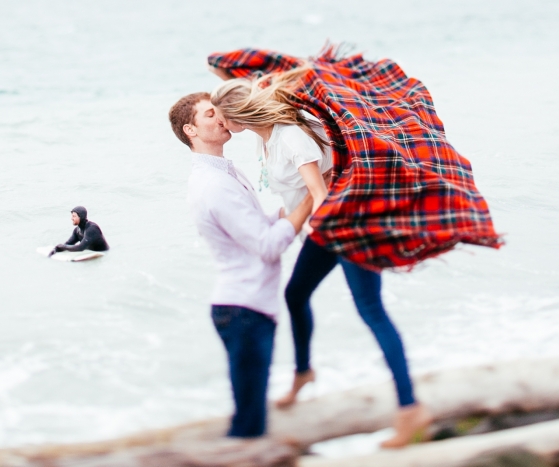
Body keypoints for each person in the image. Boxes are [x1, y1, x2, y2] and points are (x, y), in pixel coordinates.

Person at [210, 76, 432, 449]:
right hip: (323, 231)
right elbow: (297, 193)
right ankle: (303, 373)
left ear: (238, 115)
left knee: (372, 311)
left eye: (220, 115)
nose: (218, 123)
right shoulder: (268, 138)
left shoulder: (289, 135)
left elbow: (319, 193)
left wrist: (312, 229)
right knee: (296, 295)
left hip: (346, 228)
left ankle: (411, 409)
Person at [168, 92, 313, 438]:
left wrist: (288, 210)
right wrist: (310, 198)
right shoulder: (214, 184)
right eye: (209, 115)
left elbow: (254, 225)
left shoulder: (223, 172)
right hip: (244, 310)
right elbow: (266, 245)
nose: (220, 118)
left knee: (250, 417)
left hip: (246, 308)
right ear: (191, 130)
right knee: (250, 426)